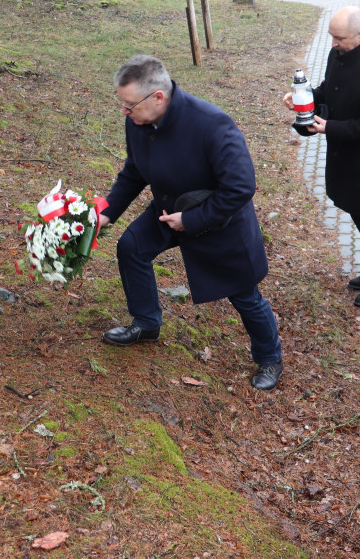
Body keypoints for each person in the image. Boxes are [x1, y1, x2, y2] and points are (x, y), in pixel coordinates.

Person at [97, 55, 284, 391]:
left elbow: (241, 187)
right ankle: (146, 322)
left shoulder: (211, 124)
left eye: (129, 105)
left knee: (244, 295)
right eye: (122, 104)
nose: (124, 112)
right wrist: (107, 211)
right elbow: (135, 171)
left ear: (158, 97)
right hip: (170, 209)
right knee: (131, 247)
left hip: (219, 221)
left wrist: (193, 219)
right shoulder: (138, 121)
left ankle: (269, 357)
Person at [283, 6, 360, 307]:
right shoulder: (338, 54)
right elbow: (329, 90)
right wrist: (304, 98)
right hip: (345, 160)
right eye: (331, 37)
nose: (333, 43)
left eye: (339, 38)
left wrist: (330, 127)